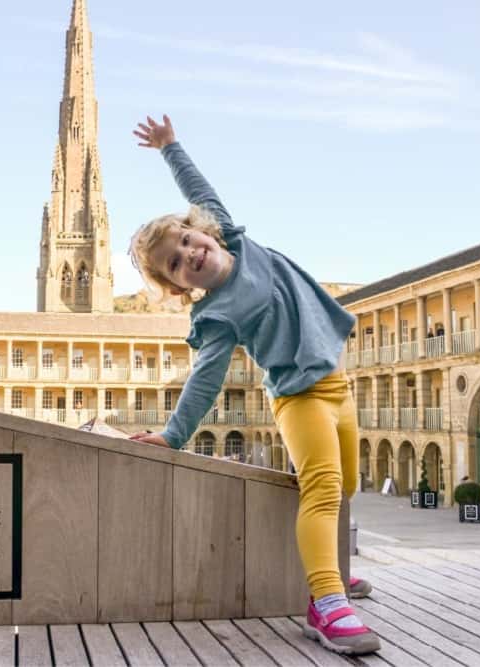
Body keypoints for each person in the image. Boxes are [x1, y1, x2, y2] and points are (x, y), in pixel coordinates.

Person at [127, 115, 379, 655]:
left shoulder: (234, 235)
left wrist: (171, 147)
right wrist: (173, 436)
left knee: (349, 485)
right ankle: (326, 601)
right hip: (297, 396)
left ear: (204, 233)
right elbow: (205, 380)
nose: (190, 255)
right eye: (176, 264)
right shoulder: (216, 316)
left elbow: (199, 189)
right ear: (178, 286)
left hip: (339, 387)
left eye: (188, 242)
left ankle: (332, 568)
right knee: (323, 487)